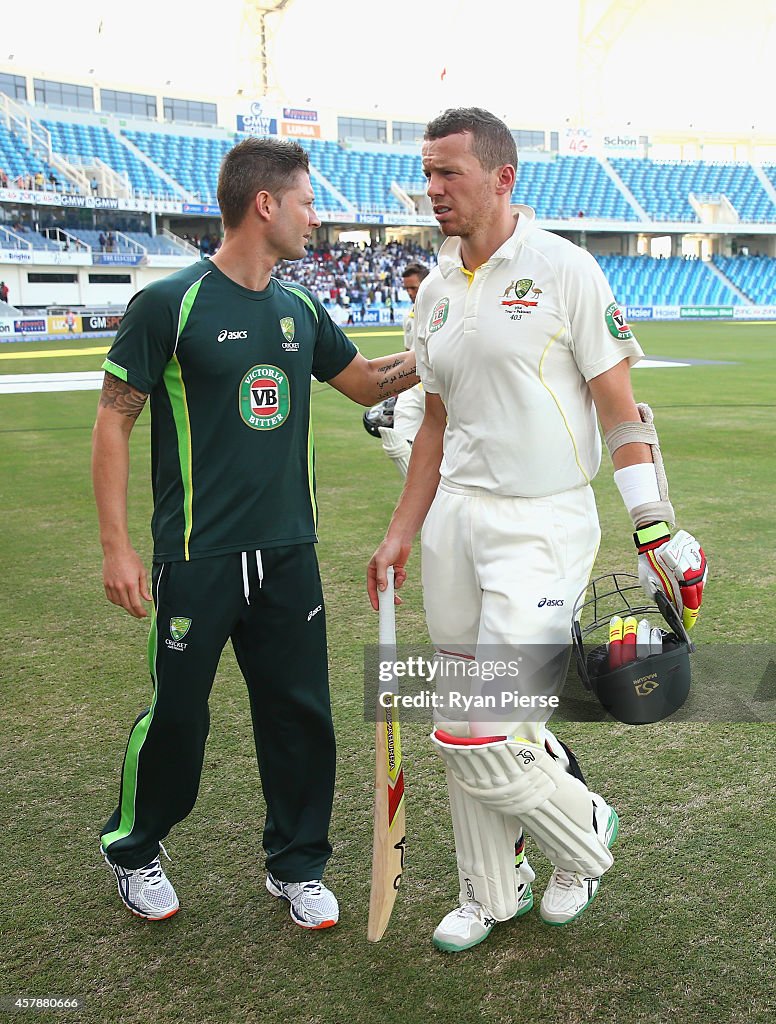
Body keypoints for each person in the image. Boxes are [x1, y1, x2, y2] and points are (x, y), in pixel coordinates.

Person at [367, 108, 707, 952]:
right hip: (455, 520)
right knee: (459, 710)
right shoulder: (438, 289)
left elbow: (622, 414)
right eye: (428, 172)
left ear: (502, 176)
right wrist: (402, 529)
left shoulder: (566, 269)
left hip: (544, 522)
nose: (433, 189)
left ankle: (583, 831)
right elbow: (434, 425)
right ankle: (490, 889)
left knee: (489, 724)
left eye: (449, 173)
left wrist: (654, 525)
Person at [93, 136, 418, 927]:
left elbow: (367, 383)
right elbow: (113, 421)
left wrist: (447, 345)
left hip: (288, 554)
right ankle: (134, 850)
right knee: (178, 716)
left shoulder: (300, 307)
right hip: (196, 556)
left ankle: (296, 865)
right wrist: (118, 546)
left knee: (300, 714)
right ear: (265, 204)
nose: (317, 216)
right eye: (308, 200)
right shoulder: (169, 304)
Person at [377, 262, 430, 476]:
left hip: (439, 388)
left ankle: (434, 501)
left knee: (445, 448)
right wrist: (397, 385)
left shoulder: (448, 310)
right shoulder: (409, 316)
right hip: (413, 386)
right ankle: (419, 496)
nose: (409, 293)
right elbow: (408, 352)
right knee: (395, 442)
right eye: (406, 288)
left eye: (414, 288)